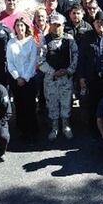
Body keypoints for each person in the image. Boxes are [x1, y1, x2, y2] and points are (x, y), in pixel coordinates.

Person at [77, 15, 103, 137]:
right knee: (93, 104)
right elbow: (81, 59)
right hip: (93, 76)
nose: (100, 25)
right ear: (94, 24)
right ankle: (94, 130)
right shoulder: (87, 37)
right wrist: (81, 77)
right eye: (97, 23)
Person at [39, 13, 79, 141]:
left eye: (59, 25)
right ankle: (54, 128)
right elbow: (40, 61)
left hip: (66, 78)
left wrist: (68, 70)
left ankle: (66, 126)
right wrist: (52, 72)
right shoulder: (45, 40)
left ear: (63, 25)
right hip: (51, 79)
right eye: (54, 25)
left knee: (66, 103)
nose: (56, 27)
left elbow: (75, 57)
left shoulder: (70, 39)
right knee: (52, 104)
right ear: (50, 25)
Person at [6, 17, 40, 143]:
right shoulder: (11, 43)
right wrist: (17, 77)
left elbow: (32, 61)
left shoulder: (31, 42)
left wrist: (25, 78)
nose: (20, 28)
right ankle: (22, 131)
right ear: (14, 28)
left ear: (26, 27)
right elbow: (10, 62)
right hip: (15, 79)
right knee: (19, 105)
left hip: (29, 78)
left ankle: (33, 131)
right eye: (17, 26)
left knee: (30, 105)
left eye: (22, 25)